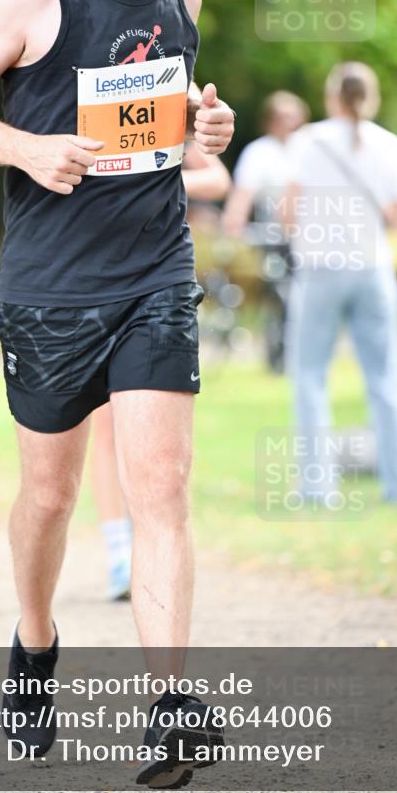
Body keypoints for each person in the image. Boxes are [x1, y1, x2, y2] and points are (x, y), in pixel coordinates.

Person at [0, 0, 234, 788]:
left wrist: (203, 129)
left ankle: (170, 709)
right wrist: (23, 148)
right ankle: (34, 640)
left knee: (161, 491)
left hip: (153, 276)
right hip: (52, 291)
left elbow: (160, 130)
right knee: (49, 497)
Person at [92, 90, 230, 603]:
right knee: (102, 430)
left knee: (153, 441)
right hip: (83, 276)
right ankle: (117, 552)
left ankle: (150, 546)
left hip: (155, 277)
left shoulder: (160, 84)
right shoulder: (68, 75)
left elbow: (217, 176)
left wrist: (153, 172)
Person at [283, 61, 397, 506]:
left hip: (320, 269)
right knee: (385, 381)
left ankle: (318, 488)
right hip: (373, 268)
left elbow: (288, 212)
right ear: (372, 97)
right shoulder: (391, 146)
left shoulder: (307, 141)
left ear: (331, 97)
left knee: (309, 378)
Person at [221, 92, 309, 371]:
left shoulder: (311, 149)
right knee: (281, 294)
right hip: (274, 238)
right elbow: (243, 196)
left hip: (309, 237)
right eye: (283, 117)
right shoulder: (260, 152)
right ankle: (278, 356)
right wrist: (233, 227)